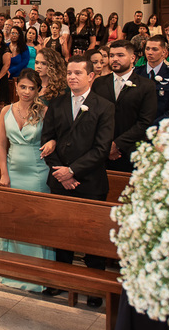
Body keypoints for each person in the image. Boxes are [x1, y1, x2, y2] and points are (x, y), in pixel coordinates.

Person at [40, 56, 114, 307]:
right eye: (69, 73)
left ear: (91, 76)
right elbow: (48, 139)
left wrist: (72, 171)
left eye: (78, 73)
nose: (72, 77)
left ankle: (94, 287)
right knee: (60, 233)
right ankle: (59, 280)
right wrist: (60, 172)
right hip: (60, 180)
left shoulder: (104, 106)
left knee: (90, 236)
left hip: (90, 182)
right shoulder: (57, 103)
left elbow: (102, 148)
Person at [0, 69, 54, 292]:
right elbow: (1, 144)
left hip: (38, 172)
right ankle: (11, 269)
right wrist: (4, 172)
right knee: (14, 220)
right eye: (23, 87)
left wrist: (53, 144)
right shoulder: (5, 111)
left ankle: (36, 273)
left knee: (35, 221)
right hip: (13, 170)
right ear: (16, 86)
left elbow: (53, 138)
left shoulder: (44, 111)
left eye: (32, 88)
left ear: (38, 90)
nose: (27, 92)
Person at [90, 40, 157, 174]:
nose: (115, 59)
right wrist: (106, 144)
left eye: (120, 55)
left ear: (133, 58)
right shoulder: (99, 83)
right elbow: (93, 117)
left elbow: (145, 121)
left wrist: (117, 144)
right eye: (112, 55)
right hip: (101, 151)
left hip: (131, 151)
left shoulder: (146, 86)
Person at [137, 36, 169, 124]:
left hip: (162, 124)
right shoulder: (137, 72)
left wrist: (158, 124)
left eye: (154, 49)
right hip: (138, 125)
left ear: (164, 52)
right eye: (147, 49)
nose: (150, 52)